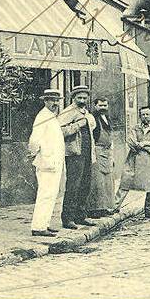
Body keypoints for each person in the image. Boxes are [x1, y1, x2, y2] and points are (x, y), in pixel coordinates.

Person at [28, 89, 66, 237]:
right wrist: (35, 154)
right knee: (45, 194)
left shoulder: (52, 116)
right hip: (47, 163)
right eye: (51, 100)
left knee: (51, 195)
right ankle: (38, 227)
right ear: (45, 101)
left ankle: (45, 223)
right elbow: (34, 140)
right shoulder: (42, 116)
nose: (55, 103)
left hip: (54, 162)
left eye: (57, 100)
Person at [115, 108, 150, 217]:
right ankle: (115, 206)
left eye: (147, 114)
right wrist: (148, 147)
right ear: (140, 116)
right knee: (126, 180)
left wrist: (145, 143)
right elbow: (131, 141)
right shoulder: (135, 128)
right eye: (143, 115)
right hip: (135, 159)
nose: (145, 116)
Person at [60, 86, 96, 228]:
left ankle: (80, 216)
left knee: (85, 185)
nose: (82, 100)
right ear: (73, 98)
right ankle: (67, 219)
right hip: (74, 153)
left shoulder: (86, 112)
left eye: (84, 98)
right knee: (73, 186)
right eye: (79, 98)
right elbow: (60, 131)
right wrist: (78, 125)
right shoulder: (68, 112)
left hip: (86, 152)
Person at [86, 98, 116, 217]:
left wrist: (112, 155)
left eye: (105, 105)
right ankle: (94, 209)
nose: (103, 108)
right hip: (97, 150)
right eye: (100, 105)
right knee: (97, 181)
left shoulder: (107, 118)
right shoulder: (92, 118)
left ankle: (106, 207)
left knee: (107, 181)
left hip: (107, 151)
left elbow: (110, 136)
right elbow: (91, 137)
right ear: (95, 106)